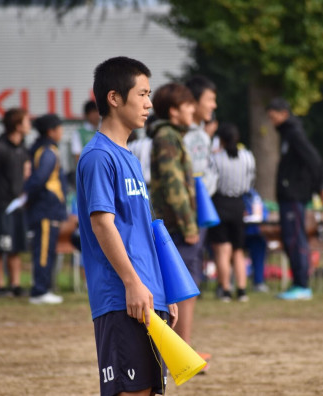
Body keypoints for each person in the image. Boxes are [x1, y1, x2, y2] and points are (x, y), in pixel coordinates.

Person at [76, 56, 177, 396]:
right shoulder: (98, 157)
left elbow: (141, 229)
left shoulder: (129, 157)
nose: (149, 104)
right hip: (121, 298)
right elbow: (103, 224)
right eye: (143, 94)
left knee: (147, 390)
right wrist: (133, 282)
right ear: (114, 98)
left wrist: (163, 286)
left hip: (147, 296)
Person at [148, 83, 204, 353]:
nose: (193, 109)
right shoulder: (167, 136)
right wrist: (189, 224)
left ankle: (182, 349)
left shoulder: (170, 135)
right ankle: (181, 351)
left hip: (176, 226)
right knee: (183, 289)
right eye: (187, 105)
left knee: (184, 288)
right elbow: (174, 185)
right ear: (173, 111)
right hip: (177, 228)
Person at [267, 97, 323, 301]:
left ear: (284, 113)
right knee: (289, 239)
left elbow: (315, 160)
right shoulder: (286, 134)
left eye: (273, 116)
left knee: (295, 239)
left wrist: (321, 187)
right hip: (288, 196)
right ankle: (298, 283)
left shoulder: (294, 133)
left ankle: (302, 285)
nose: (272, 120)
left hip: (295, 196)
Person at [0, 108, 31, 298]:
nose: (29, 125)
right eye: (26, 121)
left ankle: (15, 284)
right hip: (1, 206)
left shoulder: (22, 148)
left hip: (18, 206)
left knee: (16, 247)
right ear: (17, 126)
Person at [209, 122, 256, 302]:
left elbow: (211, 184)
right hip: (238, 204)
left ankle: (226, 290)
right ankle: (242, 290)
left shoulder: (215, 158)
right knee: (238, 250)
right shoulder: (248, 156)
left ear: (220, 139)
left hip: (219, 203)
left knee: (222, 250)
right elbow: (251, 181)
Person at [24, 113, 67, 304]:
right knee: (43, 251)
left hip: (48, 209)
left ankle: (44, 288)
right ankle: (39, 291)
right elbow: (39, 179)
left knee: (47, 250)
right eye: (59, 128)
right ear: (51, 131)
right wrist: (28, 196)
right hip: (45, 209)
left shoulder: (45, 150)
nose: (61, 132)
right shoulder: (48, 151)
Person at [184, 75, 218, 196]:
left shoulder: (204, 136)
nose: (214, 105)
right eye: (210, 99)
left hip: (204, 204)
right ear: (193, 101)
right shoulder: (179, 135)